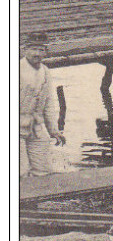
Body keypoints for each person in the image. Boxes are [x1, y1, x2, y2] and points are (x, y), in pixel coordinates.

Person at [19, 33, 65, 178]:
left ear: (45, 52)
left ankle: (38, 199)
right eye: (33, 49)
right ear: (24, 50)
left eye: (41, 50)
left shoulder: (45, 71)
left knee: (43, 170)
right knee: (20, 171)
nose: (37, 54)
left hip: (36, 126)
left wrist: (54, 131)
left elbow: (48, 104)